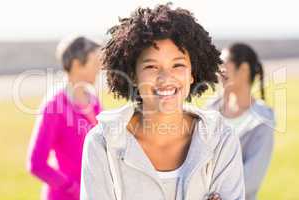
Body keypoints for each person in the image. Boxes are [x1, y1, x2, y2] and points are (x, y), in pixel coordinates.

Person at [81, 3, 245, 200]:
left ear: (192, 73)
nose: (166, 78)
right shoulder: (102, 143)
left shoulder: (221, 139)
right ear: (133, 75)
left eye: (178, 65)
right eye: (151, 66)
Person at [27, 36, 103, 200]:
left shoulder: (94, 100)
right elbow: (36, 164)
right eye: (95, 62)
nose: (99, 68)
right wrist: (72, 187)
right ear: (77, 64)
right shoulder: (55, 106)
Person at [206, 43, 275, 200]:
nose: (219, 71)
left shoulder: (262, 121)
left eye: (224, 64)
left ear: (243, 69)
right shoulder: (210, 109)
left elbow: (250, 179)